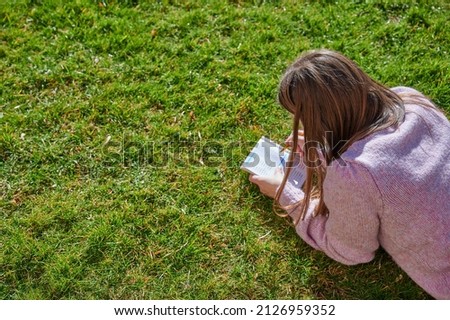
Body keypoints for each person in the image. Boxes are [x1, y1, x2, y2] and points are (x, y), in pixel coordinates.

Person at [249, 49, 450, 299]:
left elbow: (351, 250)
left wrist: (286, 193)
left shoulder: (354, 175)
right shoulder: (411, 101)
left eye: (305, 119)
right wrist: (323, 152)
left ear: (320, 120)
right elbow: (393, 164)